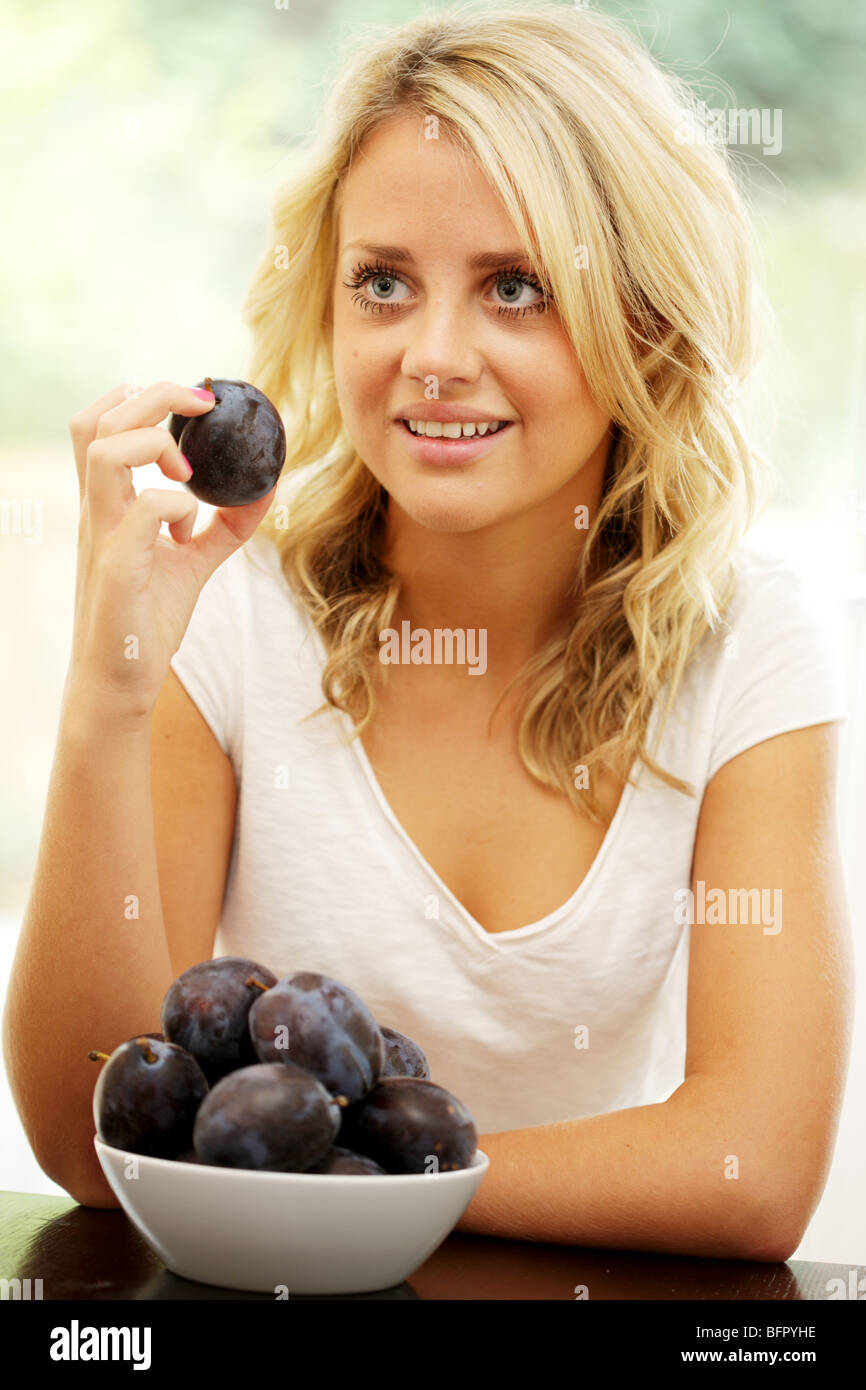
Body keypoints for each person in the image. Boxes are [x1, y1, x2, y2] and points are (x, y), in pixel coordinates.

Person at [4, 4, 853, 1261]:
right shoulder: (236, 606)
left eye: (516, 288)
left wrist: (348, 1182)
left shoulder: (741, 641)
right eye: (384, 282)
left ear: (644, 320)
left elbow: (750, 1169)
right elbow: (95, 1145)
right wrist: (107, 691)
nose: (432, 356)